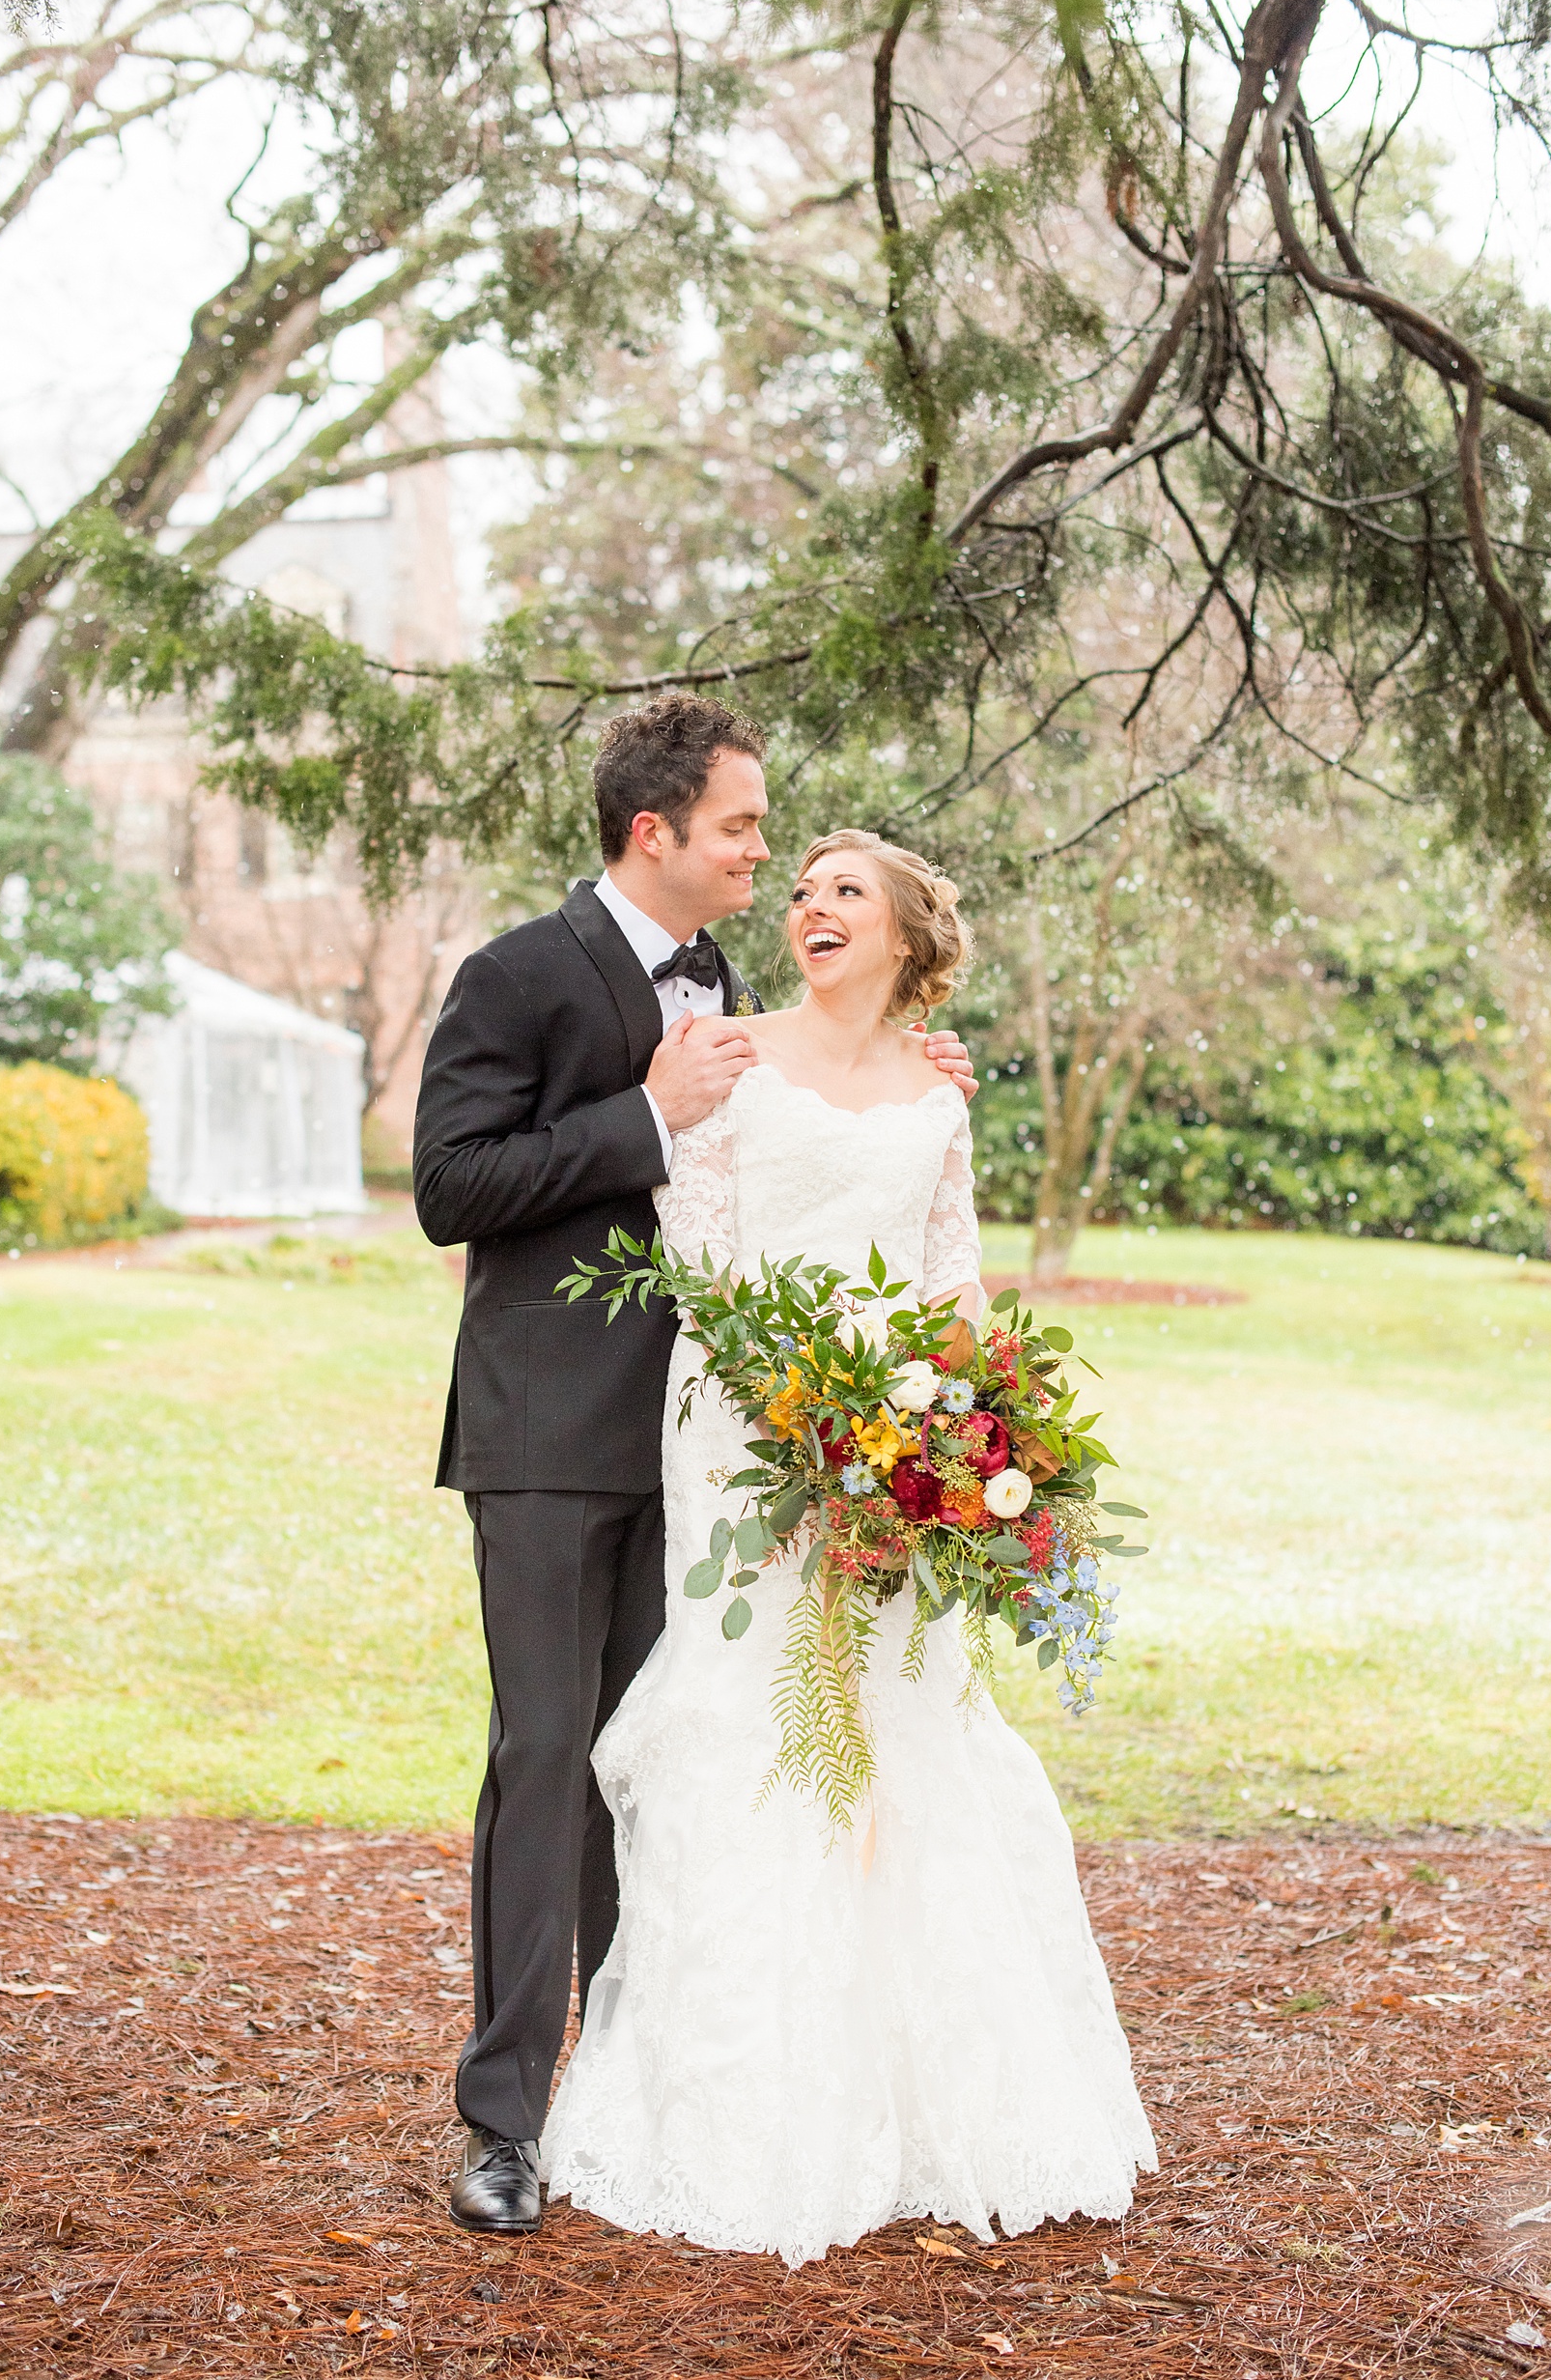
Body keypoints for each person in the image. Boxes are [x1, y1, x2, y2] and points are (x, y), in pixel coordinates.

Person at [539, 829, 1157, 2265]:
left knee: (906, 1720)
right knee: (758, 1724)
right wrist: (803, 1421)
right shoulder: (727, 1048)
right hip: (748, 1423)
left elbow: (952, 1280)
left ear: (903, 936)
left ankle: (924, 2097)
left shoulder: (938, 1095)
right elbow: (696, 1256)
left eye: (844, 892)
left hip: (901, 1447)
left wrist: (967, 1440)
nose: (810, 905)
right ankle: (743, 2101)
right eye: (803, 888)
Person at [412, 699, 977, 2234]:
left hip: (715, 1453)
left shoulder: (729, 978)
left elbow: (805, 1110)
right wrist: (643, 1116)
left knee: (659, 1767)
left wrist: (909, 1061)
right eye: (741, 827)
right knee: (545, 1757)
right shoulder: (518, 972)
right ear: (653, 832)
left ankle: (638, 2083)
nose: (762, 853)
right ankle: (506, 2120)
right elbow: (450, 1187)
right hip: (544, 1438)